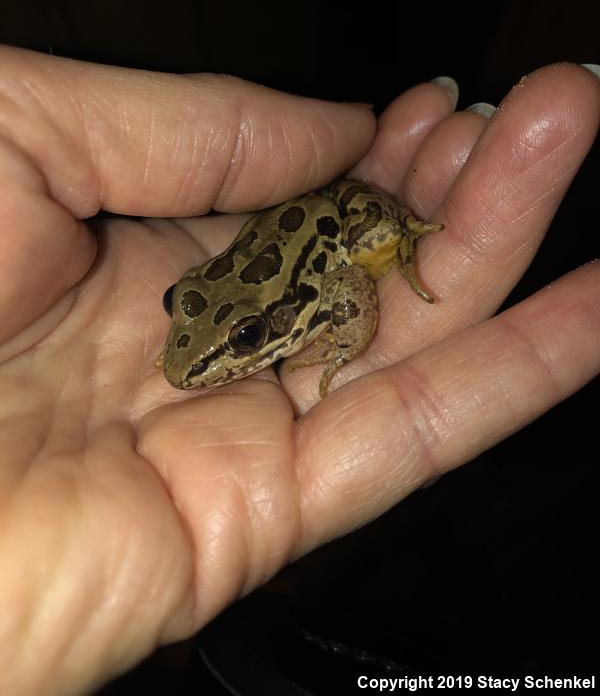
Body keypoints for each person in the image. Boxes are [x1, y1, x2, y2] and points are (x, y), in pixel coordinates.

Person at [0, 47, 598, 695]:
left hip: (335, 222)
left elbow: (348, 287)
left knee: (373, 240)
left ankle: (398, 235)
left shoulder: (314, 294)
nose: (215, 351)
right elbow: (205, 286)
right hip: (275, 243)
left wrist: (346, 342)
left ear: (273, 323)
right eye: (182, 309)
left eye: (248, 338)